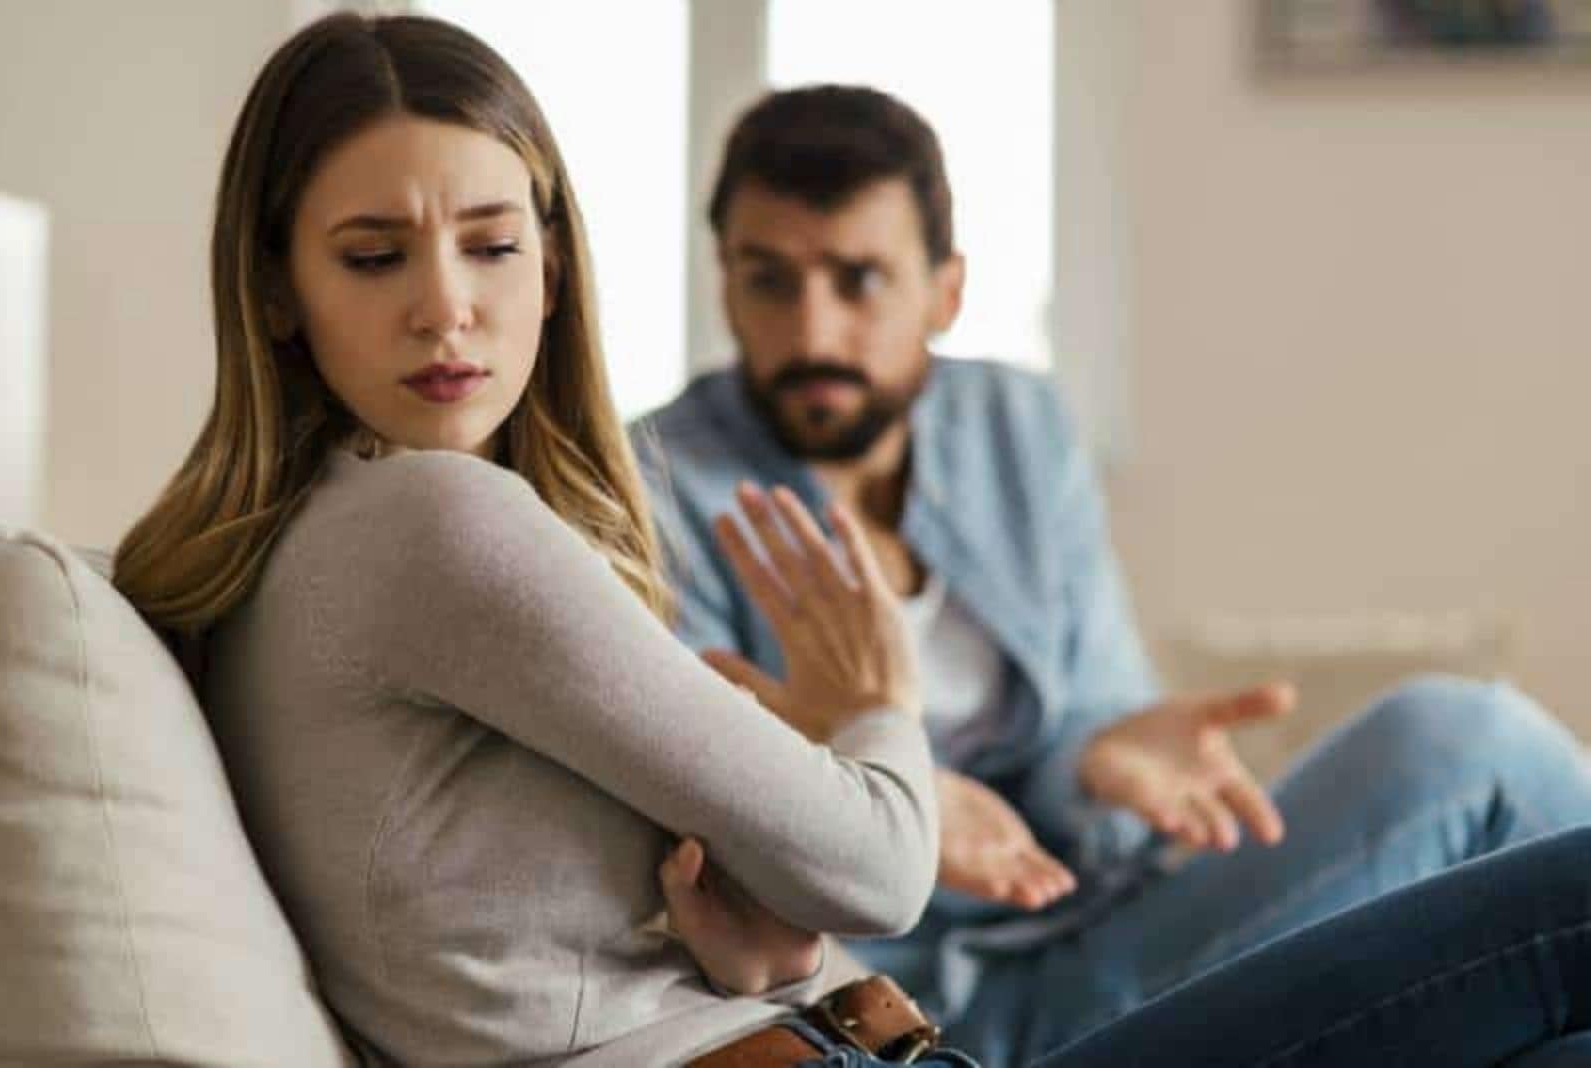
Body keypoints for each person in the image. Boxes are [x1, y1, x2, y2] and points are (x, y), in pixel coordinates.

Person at [111, 14, 1591, 1068]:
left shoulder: (1003, 432)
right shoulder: (502, 513)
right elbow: (862, 861)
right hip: (946, 993)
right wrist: (878, 710)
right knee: (1495, 801)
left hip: (906, 996)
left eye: (493, 245)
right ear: (282, 284)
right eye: (376, 255)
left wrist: (1061, 768)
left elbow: (715, 897)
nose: (447, 309)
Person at [631, 84, 1591, 1064]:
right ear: (724, 281)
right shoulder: (657, 482)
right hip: (921, 996)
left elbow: (1094, 720)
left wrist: (1093, 761)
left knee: (1536, 1009)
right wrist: (907, 811)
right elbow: (703, 772)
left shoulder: (1015, 427)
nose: (812, 335)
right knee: (1474, 744)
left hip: (1114, 921)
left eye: (858, 280)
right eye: (768, 280)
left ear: (944, 290)